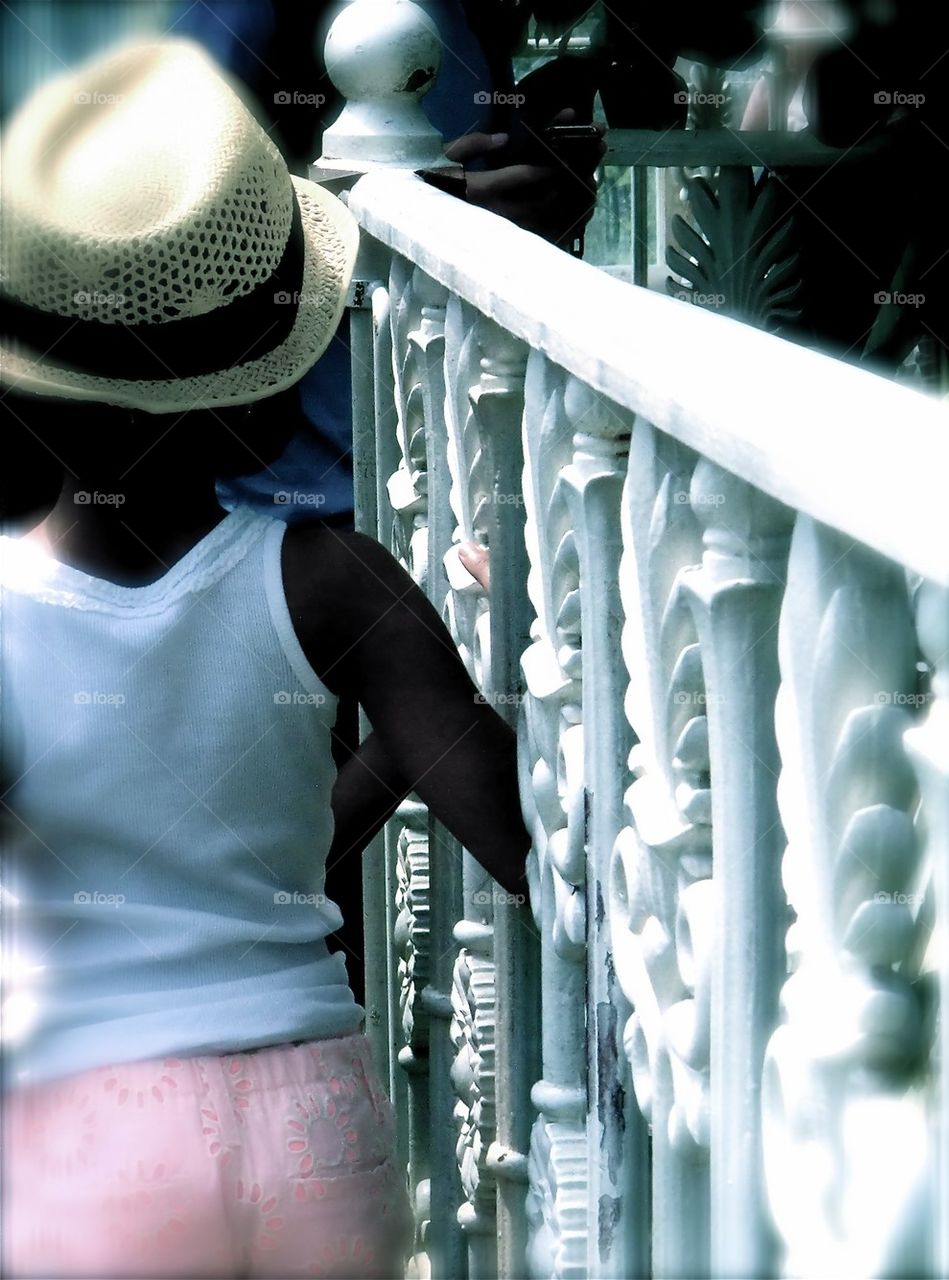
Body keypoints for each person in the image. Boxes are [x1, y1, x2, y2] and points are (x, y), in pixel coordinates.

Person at [0, 38, 530, 1279]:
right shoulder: (337, 583)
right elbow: (507, 827)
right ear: (259, 393)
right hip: (313, 1125)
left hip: (81, 1130)